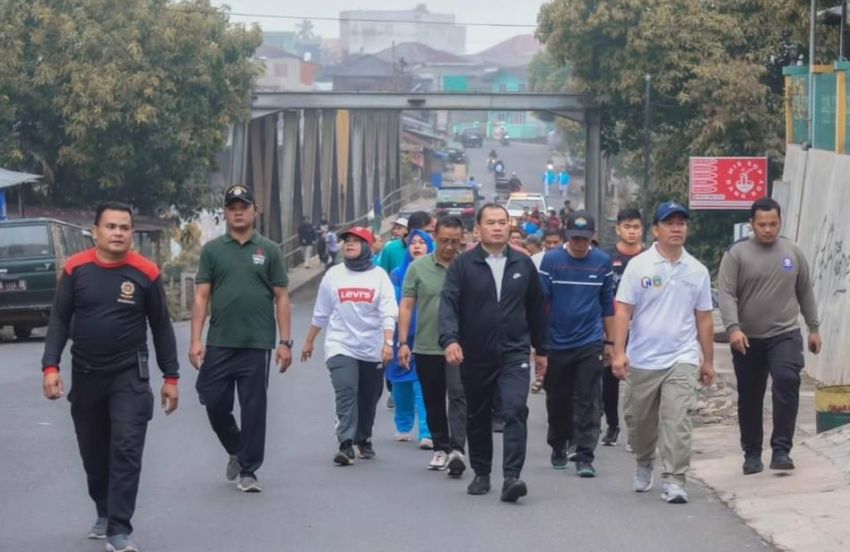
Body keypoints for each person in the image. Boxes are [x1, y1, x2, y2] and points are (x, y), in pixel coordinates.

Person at [41, 201, 180, 552]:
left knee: (126, 449)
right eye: (112, 227)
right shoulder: (76, 270)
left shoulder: (145, 273)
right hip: (86, 375)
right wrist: (51, 367)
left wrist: (171, 377)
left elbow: (162, 328)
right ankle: (103, 508)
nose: (118, 233)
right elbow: (59, 320)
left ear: (131, 233)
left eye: (125, 227)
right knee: (93, 451)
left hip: (129, 376)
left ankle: (119, 528)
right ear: (96, 232)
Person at [439, 203, 548, 503]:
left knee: (514, 410)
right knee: (477, 415)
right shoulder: (464, 265)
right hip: (474, 355)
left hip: (514, 354)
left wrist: (542, 349)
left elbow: (536, 308)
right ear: (478, 229)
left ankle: (512, 476)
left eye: (502, 222)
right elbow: (448, 305)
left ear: (509, 228)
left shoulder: (523, 264)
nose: (498, 227)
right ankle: (482, 473)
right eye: (491, 222)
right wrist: (450, 340)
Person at [190, 185, 292, 494]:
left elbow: (282, 298)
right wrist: (196, 340)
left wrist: (285, 342)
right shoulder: (212, 250)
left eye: (243, 206)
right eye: (232, 206)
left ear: (254, 211)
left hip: (257, 343)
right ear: (225, 212)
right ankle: (235, 445)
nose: (238, 211)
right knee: (212, 398)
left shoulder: (270, 250)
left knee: (254, 408)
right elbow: (202, 296)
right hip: (220, 341)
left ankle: (249, 470)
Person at [611, 201, 715, 505]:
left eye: (681, 223)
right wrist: (619, 352)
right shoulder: (639, 266)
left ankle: (675, 479)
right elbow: (623, 311)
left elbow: (704, 317)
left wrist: (707, 360)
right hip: (643, 359)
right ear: (656, 230)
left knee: (677, 418)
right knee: (639, 422)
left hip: (681, 357)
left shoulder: (696, 270)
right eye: (670, 223)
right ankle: (644, 461)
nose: (676, 228)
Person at [717, 197, 821, 475]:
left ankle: (781, 449)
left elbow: (805, 291)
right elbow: (726, 293)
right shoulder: (736, 254)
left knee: (787, 380)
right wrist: (733, 328)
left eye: (772, 224)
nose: (767, 229)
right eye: (761, 224)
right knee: (750, 395)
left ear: (780, 222)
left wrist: (813, 327)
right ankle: (752, 453)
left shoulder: (793, 251)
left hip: (784, 334)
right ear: (751, 224)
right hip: (747, 338)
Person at [300, 227, 397, 465]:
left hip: (372, 347)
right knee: (346, 391)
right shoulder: (333, 275)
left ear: (366, 246)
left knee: (369, 396)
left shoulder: (379, 276)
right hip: (340, 345)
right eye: (347, 241)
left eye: (356, 241)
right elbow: (321, 312)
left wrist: (387, 343)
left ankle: (363, 438)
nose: (350, 245)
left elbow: (388, 313)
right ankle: (345, 444)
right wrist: (309, 341)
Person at [539, 211, 614, 478]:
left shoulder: (602, 263)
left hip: (590, 342)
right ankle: (558, 443)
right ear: (566, 237)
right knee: (558, 398)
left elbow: (607, 305)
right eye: (575, 238)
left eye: (584, 239)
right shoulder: (552, 261)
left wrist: (610, 342)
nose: (579, 244)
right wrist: (539, 344)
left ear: (592, 237)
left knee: (588, 398)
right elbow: (541, 302)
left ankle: (584, 455)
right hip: (557, 342)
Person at [399, 216, 468, 476]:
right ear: (434, 238)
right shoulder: (418, 268)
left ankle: (457, 449)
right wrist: (404, 342)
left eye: (454, 241)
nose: (449, 246)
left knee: (459, 395)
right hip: (427, 345)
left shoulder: (468, 266)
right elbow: (407, 305)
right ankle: (441, 446)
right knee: (433, 398)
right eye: (443, 241)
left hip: (461, 346)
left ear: (462, 239)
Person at [600, 208, 646, 447]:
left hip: (643, 329)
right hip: (613, 326)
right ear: (618, 229)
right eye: (627, 227)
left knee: (640, 380)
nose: (632, 231)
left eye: (636, 227)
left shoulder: (650, 258)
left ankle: (637, 431)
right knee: (610, 378)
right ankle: (612, 425)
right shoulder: (605, 258)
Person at [388, 229, 434, 449]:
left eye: (422, 243)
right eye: (412, 243)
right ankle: (403, 425)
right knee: (400, 382)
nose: (416, 246)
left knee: (422, 383)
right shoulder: (398, 273)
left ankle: (427, 430)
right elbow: (391, 303)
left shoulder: (437, 270)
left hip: (428, 335)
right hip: (402, 335)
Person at [531, 229, 565, 394]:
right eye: (549, 243)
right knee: (543, 347)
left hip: (560, 313)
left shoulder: (568, 259)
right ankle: (541, 376)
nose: (552, 246)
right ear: (543, 243)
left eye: (555, 242)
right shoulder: (535, 260)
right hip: (542, 313)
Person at [379, 211, 434, 275]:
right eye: (427, 232)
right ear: (411, 230)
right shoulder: (390, 249)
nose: (430, 236)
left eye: (430, 232)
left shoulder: (435, 249)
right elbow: (383, 277)